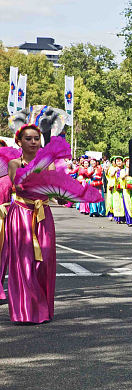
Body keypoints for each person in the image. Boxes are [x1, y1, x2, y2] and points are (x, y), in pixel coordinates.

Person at [4, 124, 57, 323]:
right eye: (28, 138)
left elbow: (52, 188)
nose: (33, 142)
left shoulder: (49, 162)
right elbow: (16, 187)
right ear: (19, 141)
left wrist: (58, 194)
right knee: (23, 262)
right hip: (21, 215)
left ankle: (43, 309)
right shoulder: (14, 164)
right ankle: (24, 311)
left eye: (36, 138)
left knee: (44, 261)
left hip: (43, 214)